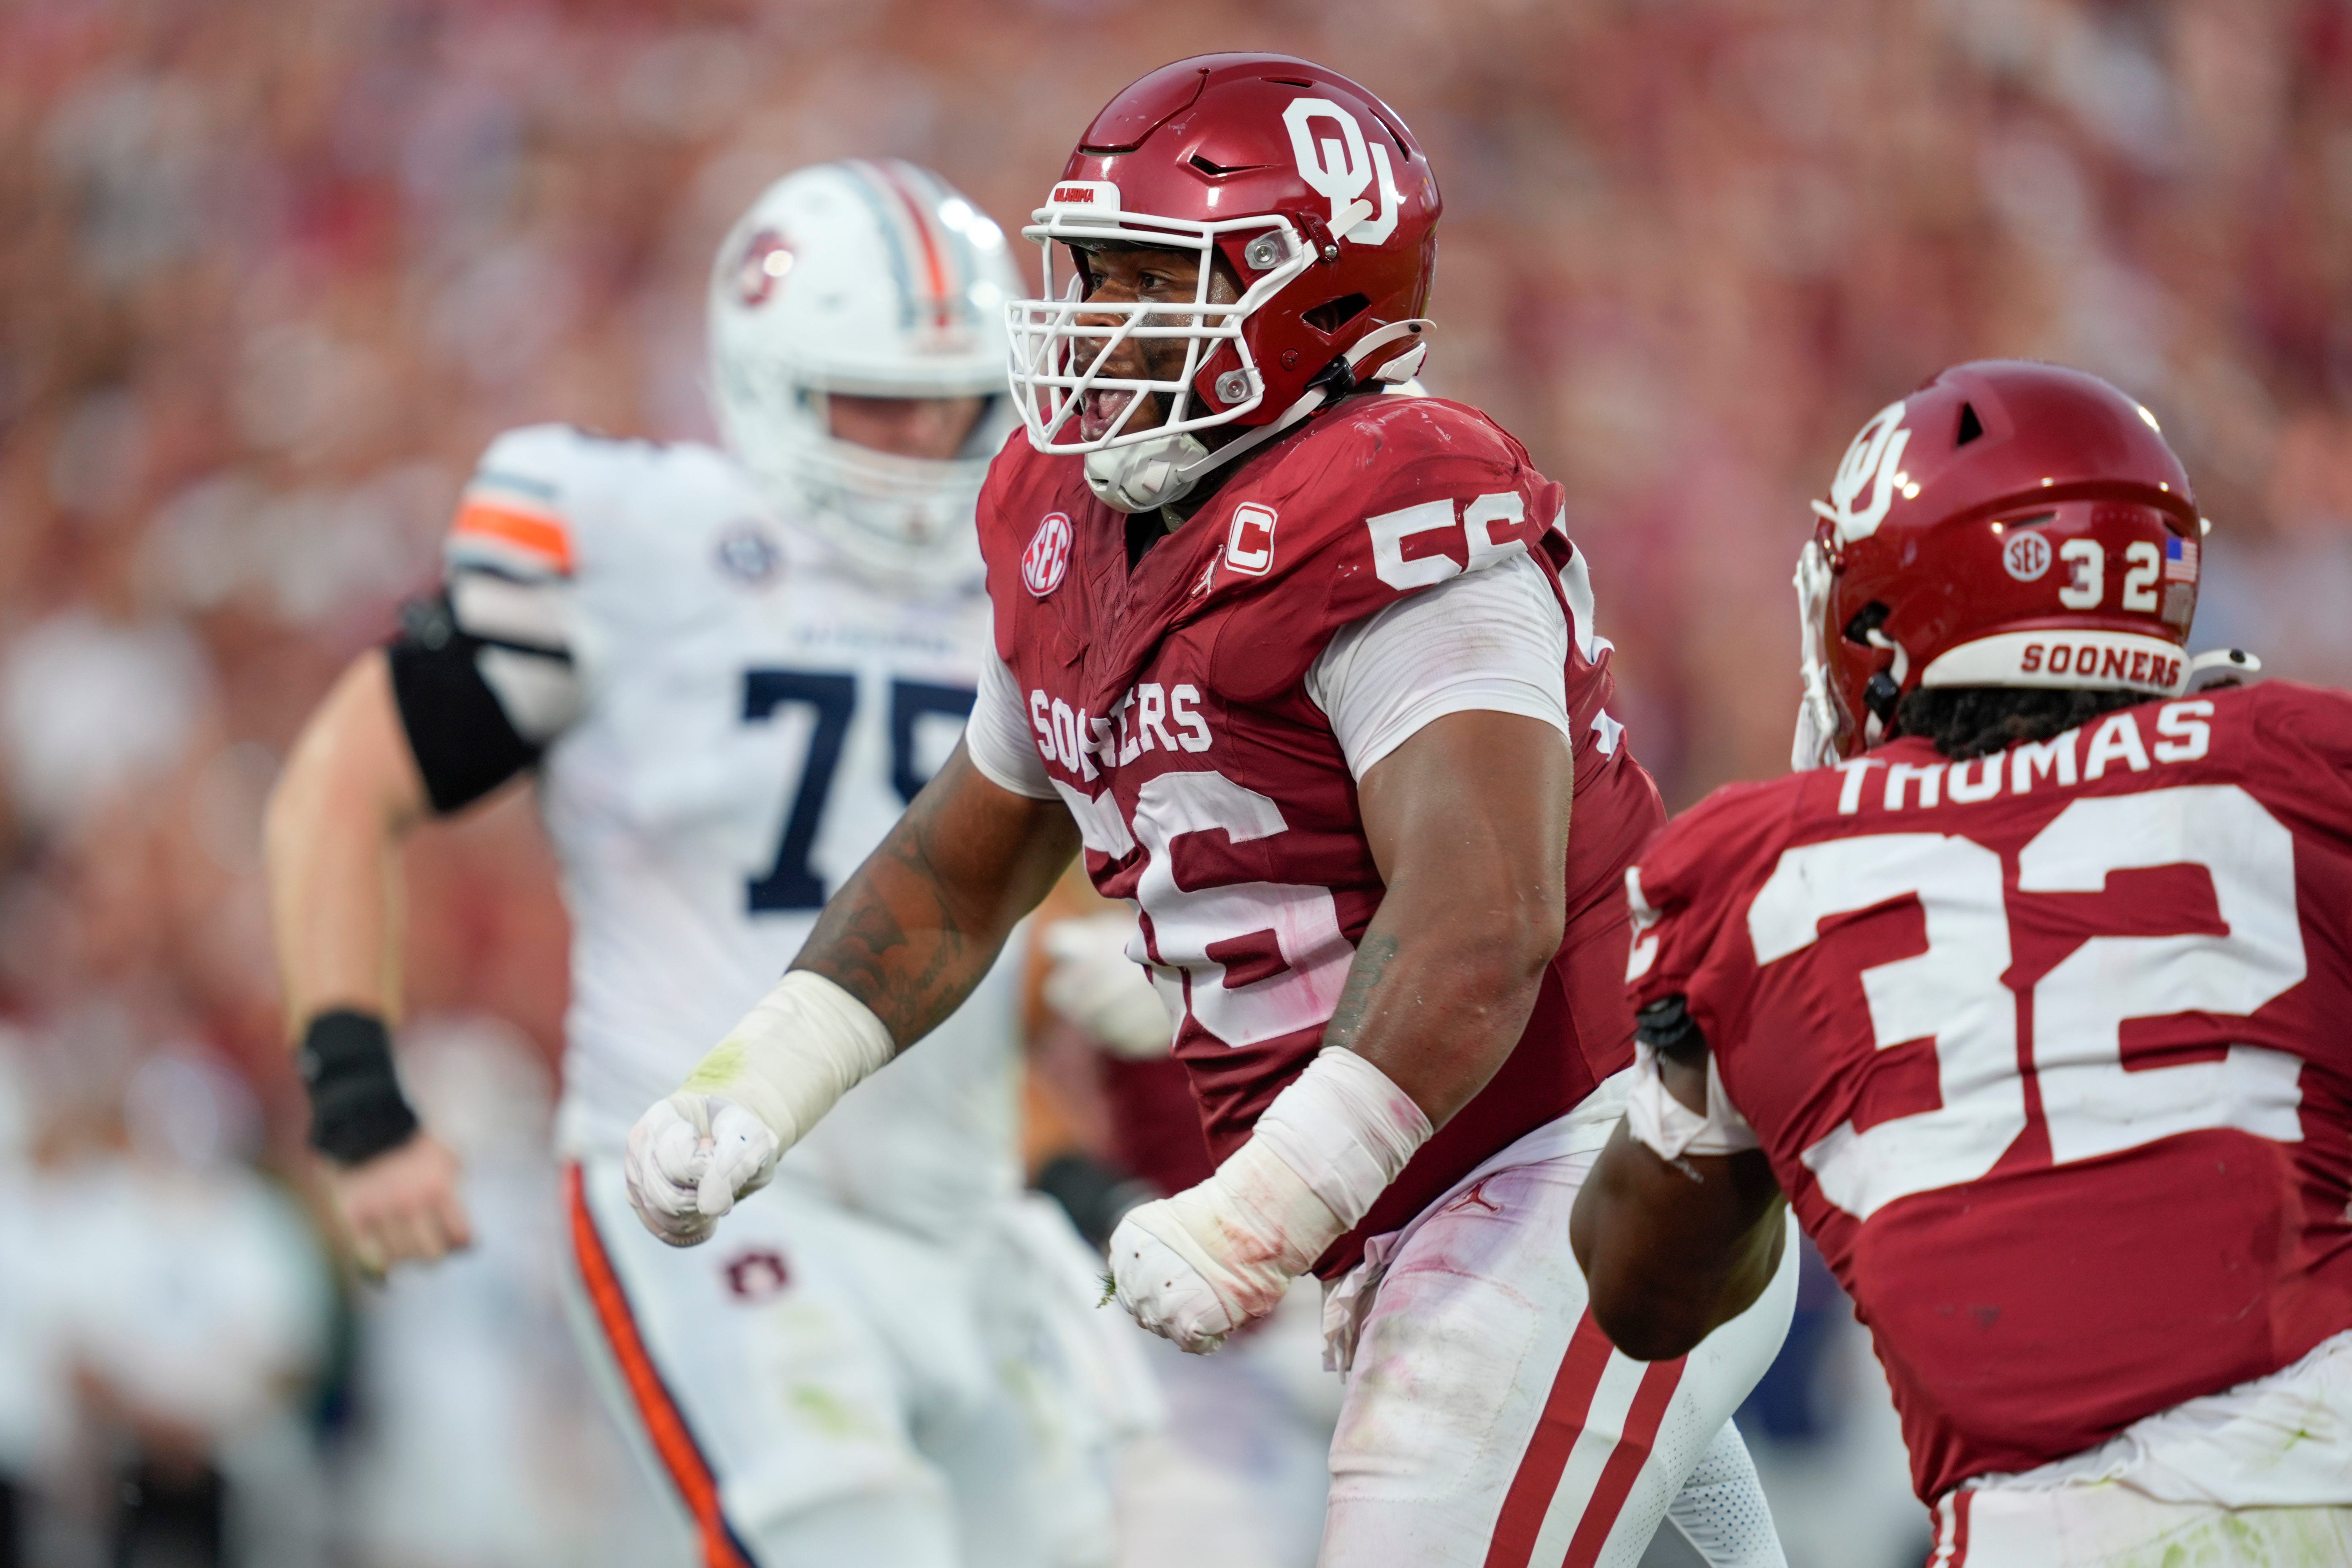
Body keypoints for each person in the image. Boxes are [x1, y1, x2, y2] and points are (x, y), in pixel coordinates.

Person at [624, 55, 1795, 1568]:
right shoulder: (1070, 514)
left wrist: (1254, 1213)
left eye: (1141, 275)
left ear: (1310, 303)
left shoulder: (1403, 512)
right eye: (1088, 268)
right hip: (1426, 1199)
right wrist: (760, 1075)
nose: (1090, 315)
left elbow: (1480, 929)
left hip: (1580, 1169)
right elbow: (959, 868)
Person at [265, 159, 1145, 1568]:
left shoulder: (1041, 571)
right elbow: (339, 789)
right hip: (701, 1183)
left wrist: (1078, 1173)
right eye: (873, 394)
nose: (922, 435)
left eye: (957, 394)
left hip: (962, 1214)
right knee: (850, 1536)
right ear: (767, 378)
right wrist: (358, 1096)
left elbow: (971, 967)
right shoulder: (635, 540)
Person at [1571, 358, 2352, 1565]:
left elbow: (1640, 1291)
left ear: (1885, 616)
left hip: (2047, 1525)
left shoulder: (1759, 869)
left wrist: (1702, 1065)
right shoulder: (2297, 765)